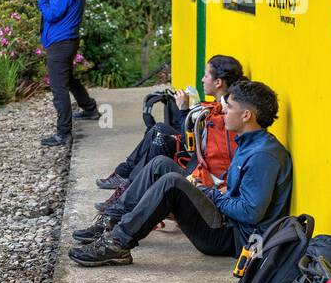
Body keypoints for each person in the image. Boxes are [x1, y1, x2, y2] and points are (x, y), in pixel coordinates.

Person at [67, 80, 292, 267]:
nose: (223, 111)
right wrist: (212, 190)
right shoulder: (249, 143)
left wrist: (209, 194)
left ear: (246, 115)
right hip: (225, 219)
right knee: (160, 164)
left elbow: (250, 214)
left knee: (172, 182)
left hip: (231, 237)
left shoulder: (264, 155)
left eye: (229, 107)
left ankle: (117, 244)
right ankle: (112, 222)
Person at [96, 55, 245, 194]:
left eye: (206, 75)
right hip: (198, 158)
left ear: (218, 82)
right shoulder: (224, 103)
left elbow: (192, 145)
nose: (202, 80)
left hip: (198, 168)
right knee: (158, 128)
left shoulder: (224, 111)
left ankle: (129, 186)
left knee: (160, 140)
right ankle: (124, 175)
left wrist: (183, 110)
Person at [25, 0, 99, 147]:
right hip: (67, 42)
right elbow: (58, 11)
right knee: (70, 79)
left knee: (59, 89)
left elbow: (51, 15)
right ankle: (90, 109)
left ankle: (63, 133)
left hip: (61, 44)